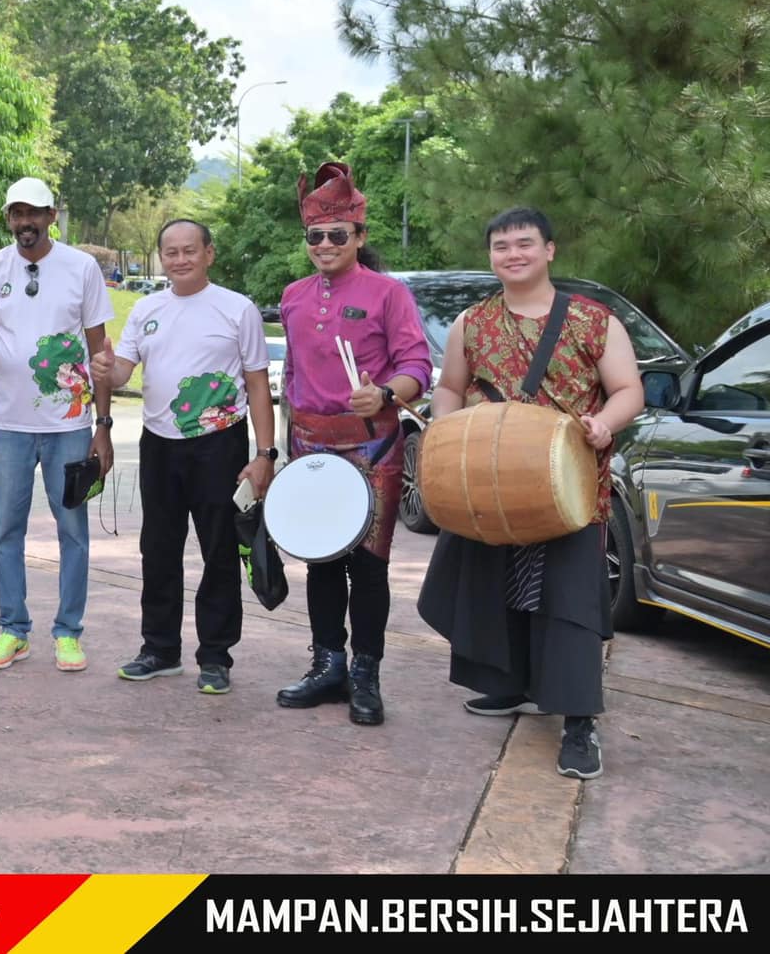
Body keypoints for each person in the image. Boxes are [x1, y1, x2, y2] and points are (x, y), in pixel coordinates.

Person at [417, 208, 642, 779]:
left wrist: (604, 424)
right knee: (494, 585)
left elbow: (626, 389)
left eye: (524, 244)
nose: (512, 254)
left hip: (568, 484)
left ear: (549, 250)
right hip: (491, 483)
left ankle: (578, 723)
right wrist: (446, 432)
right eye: (500, 246)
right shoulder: (473, 321)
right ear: (490, 255)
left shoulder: (594, 321)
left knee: (567, 605)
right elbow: (449, 388)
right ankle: (509, 683)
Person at [274, 162, 432, 726]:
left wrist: (386, 392)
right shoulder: (292, 296)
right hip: (309, 444)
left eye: (337, 234)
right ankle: (327, 664)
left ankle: (366, 671)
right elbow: (291, 377)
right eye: (314, 235)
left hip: (372, 447)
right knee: (320, 560)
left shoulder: (388, 293)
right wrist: (276, 451)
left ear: (359, 237)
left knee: (368, 566)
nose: (324, 244)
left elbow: (418, 364)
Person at [92, 219, 275, 695]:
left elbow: (257, 386)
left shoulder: (237, 309)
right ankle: (160, 649)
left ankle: (215, 655)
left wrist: (264, 455)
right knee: (158, 547)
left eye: (189, 250)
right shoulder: (147, 309)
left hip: (219, 443)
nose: (179, 259)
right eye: (170, 252)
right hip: (159, 443)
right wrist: (107, 371)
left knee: (218, 550)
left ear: (209, 253)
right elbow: (122, 374)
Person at [0, 176, 115, 672]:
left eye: (35, 213)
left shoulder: (81, 267)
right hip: (8, 424)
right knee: (8, 531)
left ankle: (68, 632)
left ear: (52, 216)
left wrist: (104, 425)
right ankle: (14, 630)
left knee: (73, 529)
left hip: (69, 423)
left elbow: (100, 352)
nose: (25, 222)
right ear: (8, 218)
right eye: (16, 213)